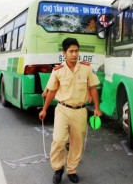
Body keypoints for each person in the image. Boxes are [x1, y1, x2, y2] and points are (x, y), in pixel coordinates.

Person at [39, 38, 102, 184]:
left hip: (80, 111)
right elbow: (51, 91)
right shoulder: (58, 71)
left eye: (76, 51)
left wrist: (97, 109)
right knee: (59, 140)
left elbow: (93, 88)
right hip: (62, 109)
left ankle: (72, 170)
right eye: (71, 51)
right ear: (64, 53)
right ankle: (58, 168)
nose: (74, 54)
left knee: (77, 142)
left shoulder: (86, 68)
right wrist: (44, 110)